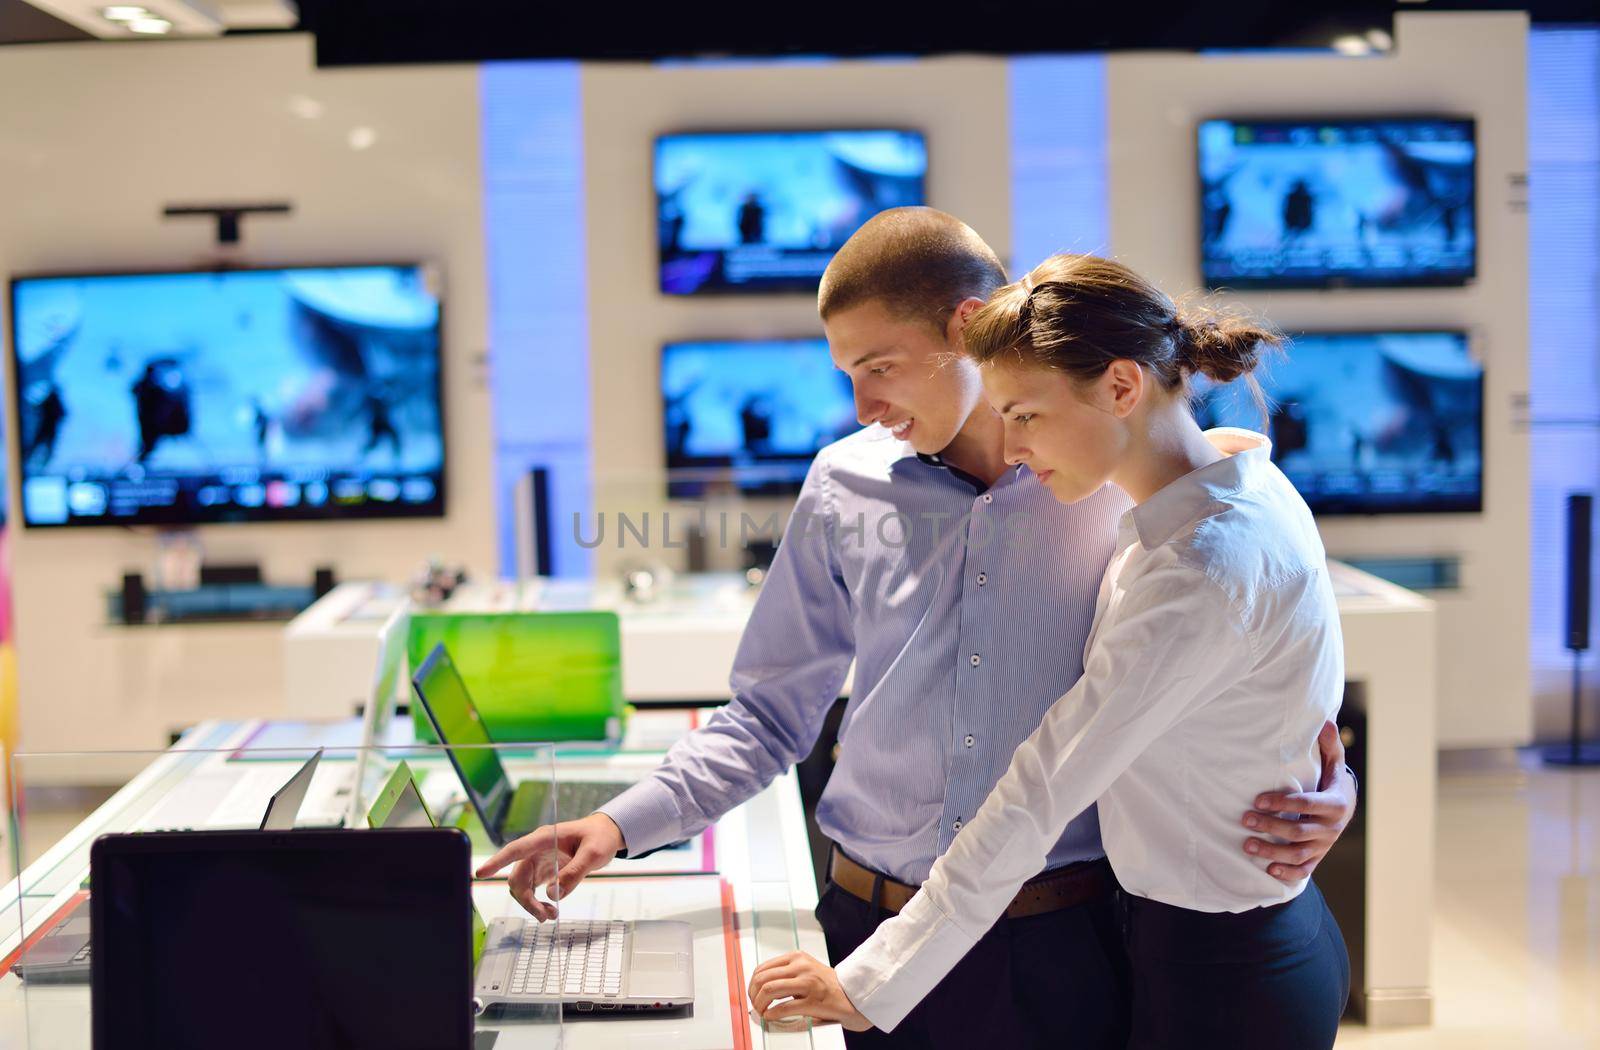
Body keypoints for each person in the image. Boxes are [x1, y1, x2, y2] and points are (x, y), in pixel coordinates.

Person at [476, 209, 1357, 1049]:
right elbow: (770, 713)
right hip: (863, 915)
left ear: (965, 327)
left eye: (879, 366)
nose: (861, 403)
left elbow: (1235, 647)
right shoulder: (840, 485)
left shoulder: (1113, 482)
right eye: (845, 375)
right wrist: (622, 825)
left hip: (1061, 941)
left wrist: (1317, 781)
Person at [748, 253, 1352, 1049]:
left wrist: (866, 983)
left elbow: (1042, 787)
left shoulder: (1201, 567)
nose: (1014, 447)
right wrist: (1326, 777)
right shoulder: (1229, 483)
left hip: (1222, 967)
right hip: (1193, 931)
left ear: (1123, 387)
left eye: (1025, 416)